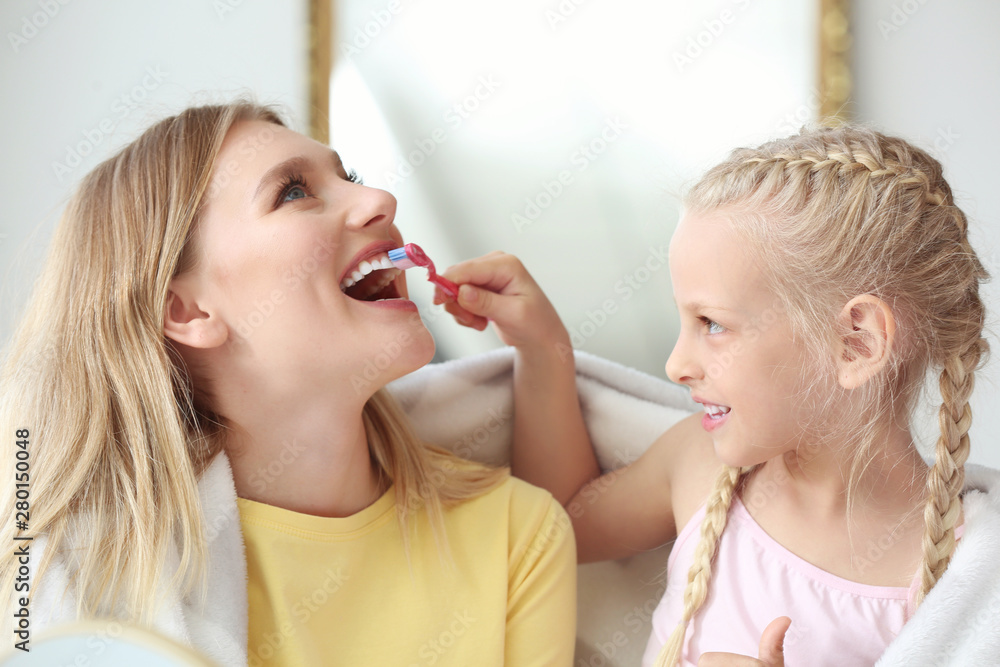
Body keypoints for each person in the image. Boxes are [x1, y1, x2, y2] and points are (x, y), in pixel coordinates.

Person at [0, 99, 597, 666]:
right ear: (188, 311)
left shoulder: (517, 535)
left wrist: (546, 353)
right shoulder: (73, 579)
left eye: (352, 174)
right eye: (292, 192)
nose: (379, 198)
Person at [517, 125, 994, 666]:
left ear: (855, 343)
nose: (677, 365)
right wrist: (541, 349)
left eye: (712, 324)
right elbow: (547, 528)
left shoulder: (964, 583)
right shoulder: (699, 467)